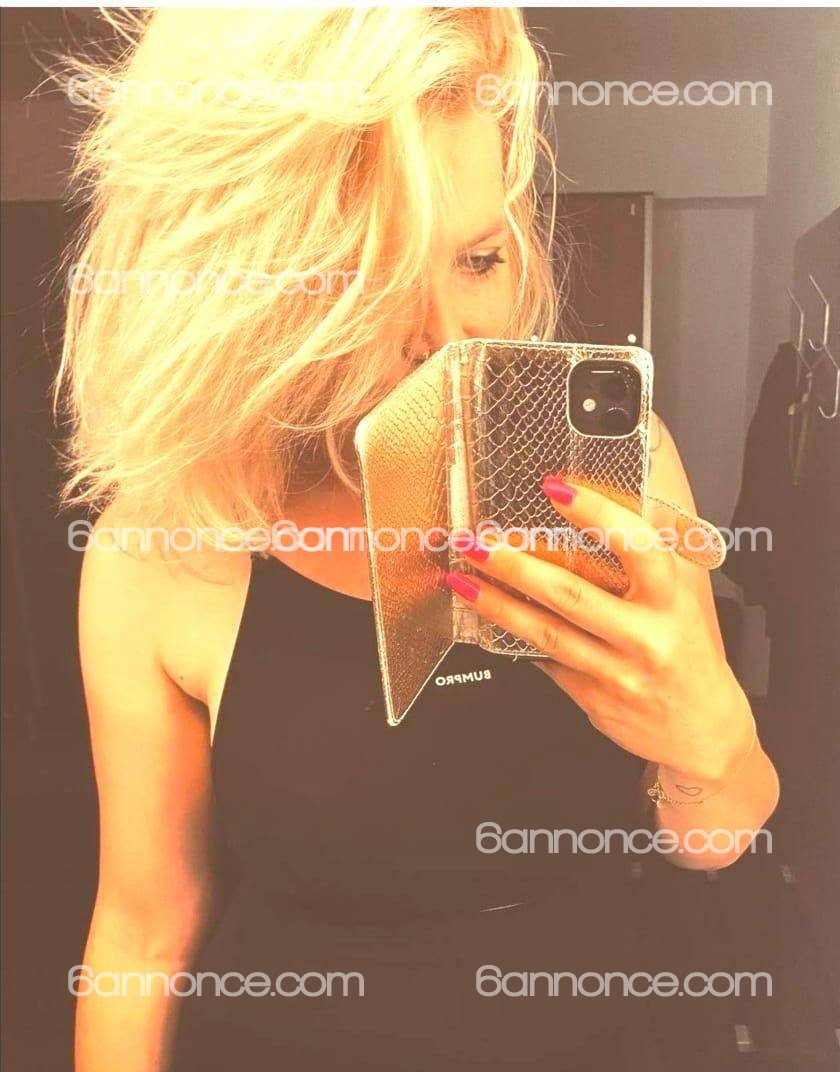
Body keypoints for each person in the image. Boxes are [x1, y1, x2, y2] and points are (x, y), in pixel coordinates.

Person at [59, 9, 779, 1070]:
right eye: (367, 286)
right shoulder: (164, 546)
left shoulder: (611, 478)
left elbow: (712, 842)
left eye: (478, 258)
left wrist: (713, 745)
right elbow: (142, 929)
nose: (446, 340)